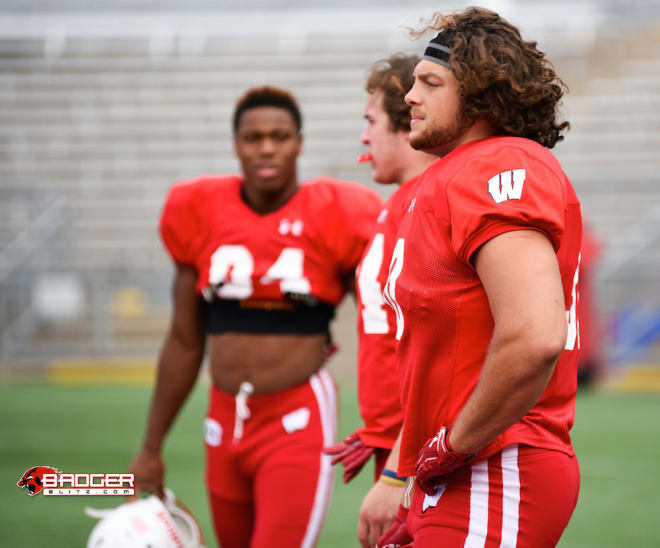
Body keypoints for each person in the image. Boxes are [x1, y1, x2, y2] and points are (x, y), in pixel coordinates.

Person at [127, 86, 383, 548]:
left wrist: (389, 421)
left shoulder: (336, 212)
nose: (267, 147)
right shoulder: (199, 210)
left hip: (296, 417)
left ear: (299, 143)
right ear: (236, 144)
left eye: (280, 136)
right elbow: (184, 341)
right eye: (254, 137)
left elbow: (380, 328)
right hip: (223, 416)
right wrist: (150, 446)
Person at [371, 7, 582, 547]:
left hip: (496, 464)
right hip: (462, 469)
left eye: (430, 82)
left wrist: (452, 446)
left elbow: (535, 336)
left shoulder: (494, 166)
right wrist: (412, 470)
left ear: (481, 97)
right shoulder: (456, 173)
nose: (410, 98)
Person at [321, 53, 436, 543]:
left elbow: (447, 350)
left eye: (371, 122)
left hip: (424, 458)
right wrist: (382, 428)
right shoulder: (400, 204)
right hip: (400, 447)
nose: (364, 137)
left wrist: (400, 468)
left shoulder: (432, 204)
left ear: (406, 121)